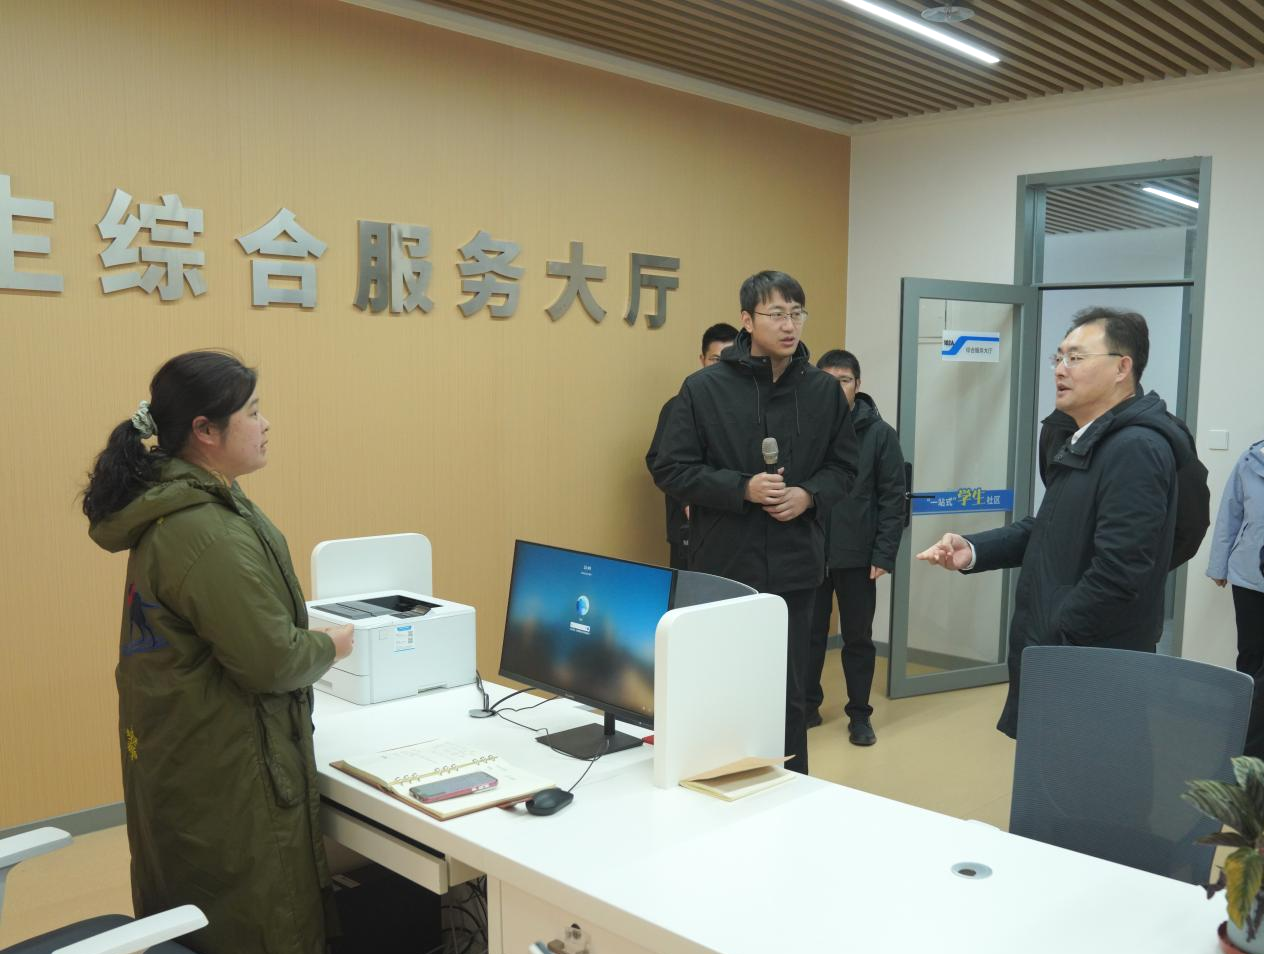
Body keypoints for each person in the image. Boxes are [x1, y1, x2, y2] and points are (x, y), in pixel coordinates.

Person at [84, 351, 355, 953]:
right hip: (229, 762)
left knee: (199, 906)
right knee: (258, 914)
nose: (265, 424)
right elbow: (270, 663)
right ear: (205, 430)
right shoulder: (207, 531)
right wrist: (329, 645)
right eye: (252, 412)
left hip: (190, 749)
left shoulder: (188, 505)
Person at [916, 307, 1195, 738]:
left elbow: (1120, 573)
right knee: (1049, 770)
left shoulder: (1135, 448)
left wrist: (1057, 634)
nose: (1061, 369)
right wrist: (973, 549)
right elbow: (1050, 527)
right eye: (1058, 357)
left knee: (1084, 773)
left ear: (1122, 368)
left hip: (1088, 663)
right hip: (1066, 654)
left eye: (1076, 358)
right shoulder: (1086, 438)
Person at [652, 271, 858, 774]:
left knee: (788, 692)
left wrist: (809, 495)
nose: (789, 325)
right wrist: (741, 488)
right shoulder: (703, 389)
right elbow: (670, 467)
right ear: (747, 320)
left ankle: (789, 791)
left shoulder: (822, 391)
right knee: (722, 686)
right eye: (776, 314)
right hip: (725, 565)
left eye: (797, 314)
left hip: (796, 568)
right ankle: (715, 786)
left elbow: (846, 468)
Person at [805, 349, 905, 746]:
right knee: (808, 635)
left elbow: (893, 498)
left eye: (844, 380)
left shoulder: (880, 435)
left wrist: (883, 554)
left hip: (859, 556)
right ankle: (807, 706)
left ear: (857, 385)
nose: (835, 388)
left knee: (858, 639)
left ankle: (860, 715)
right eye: (827, 380)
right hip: (810, 553)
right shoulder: (805, 428)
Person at [645, 323, 738, 569]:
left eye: (729, 360)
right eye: (715, 359)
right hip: (688, 524)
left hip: (735, 530)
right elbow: (658, 461)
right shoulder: (678, 405)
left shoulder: (749, 407)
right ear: (702, 360)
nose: (722, 367)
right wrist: (686, 499)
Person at [1207, 436, 1264, 757]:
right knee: (1250, 656)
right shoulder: (1250, 459)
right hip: (1249, 577)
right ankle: (1242, 731)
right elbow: (1230, 514)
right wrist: (1219, 565)